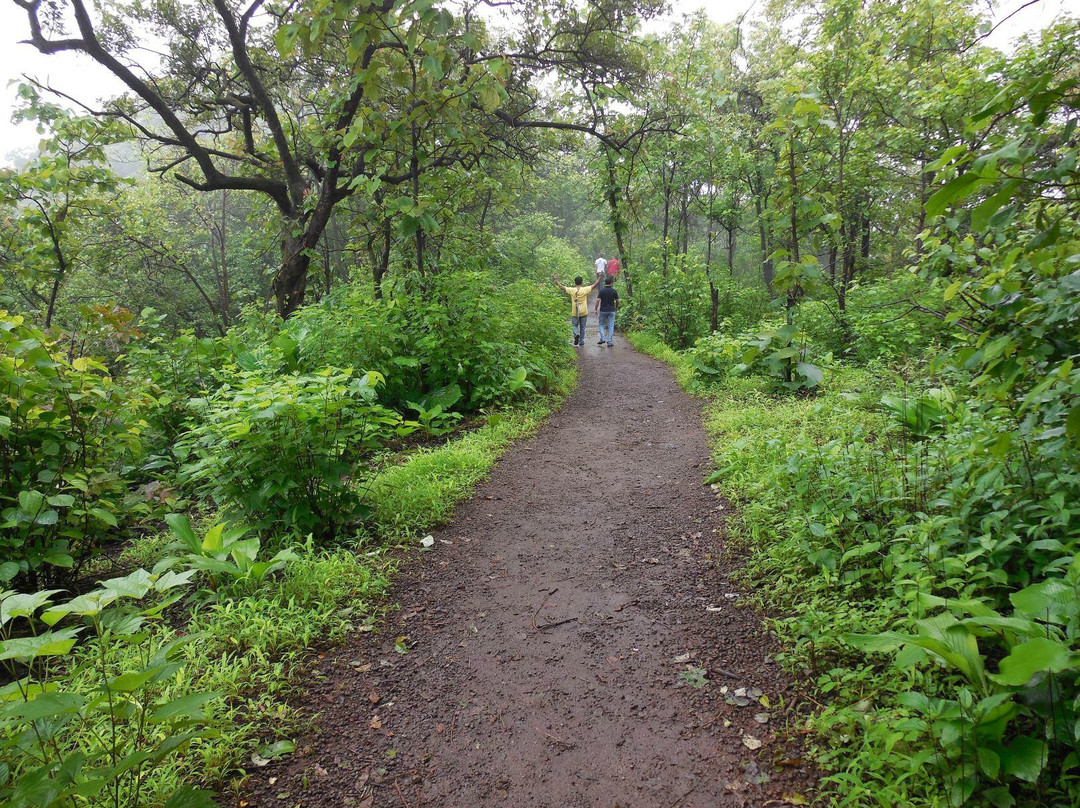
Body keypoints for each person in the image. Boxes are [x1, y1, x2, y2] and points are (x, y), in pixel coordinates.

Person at [552, 273, 599, 347]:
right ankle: (581, 341)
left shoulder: (571, 290)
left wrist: (555, 280)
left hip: (575, 311)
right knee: (583, 327)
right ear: (582, 282)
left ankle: (576, 334)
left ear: (575, 282)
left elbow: (561, 287)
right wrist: (600, 277)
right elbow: (595, 285)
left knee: (574, 325)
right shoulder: (585, 289)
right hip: (583, 311)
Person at [594, 277, 619, 347]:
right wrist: (616, 307)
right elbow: (617, 301)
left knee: (601, 324)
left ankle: (602, 338)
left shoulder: (601, 291)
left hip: (603, 310)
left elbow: (597, 300)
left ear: (605, 283)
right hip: (611, 310)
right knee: (611, 326)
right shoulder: (614, 291)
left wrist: (595, 309)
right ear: (611, 283)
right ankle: (610, 342)